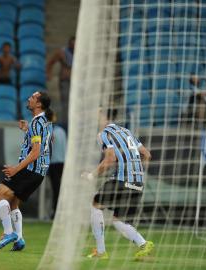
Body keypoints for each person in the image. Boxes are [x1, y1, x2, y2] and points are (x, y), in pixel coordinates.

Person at [84, 109, 154, 260]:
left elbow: (110, 159)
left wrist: (91, 175)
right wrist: (137, 170)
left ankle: (101, 252)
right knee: (118, 220)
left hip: (123, 179)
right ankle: (144, 244)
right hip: (137, 182)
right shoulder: (127, 131)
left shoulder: (104, 134)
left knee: (96, 205)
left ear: (105, 118)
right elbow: (147, 154)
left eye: (99, 115)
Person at [0, 91, 53, 251]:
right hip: (39, 171)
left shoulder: (37, 122)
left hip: (31, 169)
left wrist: (15, 169)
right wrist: (28, 130)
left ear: (39, 104)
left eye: (33, 97)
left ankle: (8, 233)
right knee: (13, 203)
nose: (29, 99)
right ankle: (19, 239)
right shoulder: (44, 121)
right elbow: (47, 140)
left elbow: (36, 151)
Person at [46, 36, 75, 128]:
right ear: (69, 44)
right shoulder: (62, 52)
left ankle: (73, 122)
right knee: (66, 103)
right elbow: (50, 62)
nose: (74, 46)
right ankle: (66, 123)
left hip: (75, 82)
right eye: (72, 44)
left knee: (73, 103)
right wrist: (49, 74)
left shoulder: (79, 53)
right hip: (65, 81)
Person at [48, 114, 67, 218]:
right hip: (63, 163)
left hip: (54, 163)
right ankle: (59, 211)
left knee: (56, 189)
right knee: (60, 189)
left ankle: (56, 213)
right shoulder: (61, 131)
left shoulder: (51, 132)